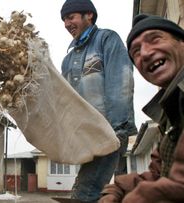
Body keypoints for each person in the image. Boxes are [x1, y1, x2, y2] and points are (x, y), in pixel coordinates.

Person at [99, 14, 184, 203]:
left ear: (182, 43)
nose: (144, 54)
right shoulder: (169, 115)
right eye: (136, 52)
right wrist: (118, 188)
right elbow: (159, 173)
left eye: (155, 39)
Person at [59, 0, 138, 202]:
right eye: (64, 20)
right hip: (85, 138)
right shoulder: (67, 61)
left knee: (85, 192)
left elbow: (121, 81)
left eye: (70, 17)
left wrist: (118, 129)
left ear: (89, 16)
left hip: (109, 131)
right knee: (101, 191)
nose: (66, 24)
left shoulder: (106, 39)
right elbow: (66, 100)